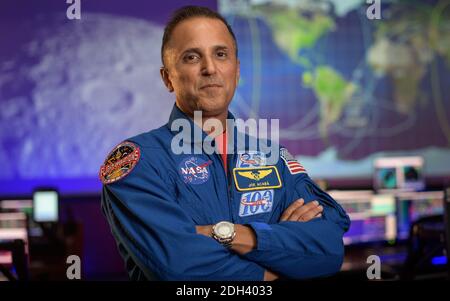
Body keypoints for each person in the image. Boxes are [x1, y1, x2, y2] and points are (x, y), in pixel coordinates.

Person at [99, 5, 350, 281]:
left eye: (221, 54)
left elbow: (328, 248)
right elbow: (179, 268)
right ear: (168, 78)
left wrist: (225, 233)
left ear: (237, 70)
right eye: (192, 57)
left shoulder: (272, 156)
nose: (210, 68)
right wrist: (278, 267)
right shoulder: (138, 162)